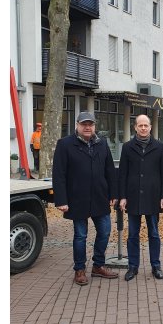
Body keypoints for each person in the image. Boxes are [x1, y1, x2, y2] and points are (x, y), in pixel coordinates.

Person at [52, 111, 119, 285]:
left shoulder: (102, 144)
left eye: (90, 124)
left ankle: (98, 266)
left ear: (95, 126)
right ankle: (79, 269)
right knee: (80, 235)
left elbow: (110, 171)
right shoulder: (65, 144)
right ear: (77, 125)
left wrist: (113, 193)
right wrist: (61, 200)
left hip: (100, 197)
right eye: (84, 124)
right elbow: (59, 174)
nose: (87, 127)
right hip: (77, 198)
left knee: (104, 231)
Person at [118, 114, 163, 281]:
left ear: (150, 127)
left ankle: (156, 265)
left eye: (145, 125)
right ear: (135, 127)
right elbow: (122, 174)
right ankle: (133, 266)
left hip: (153, 197)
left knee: (154, 234)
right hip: (133, 197)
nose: (143, 128)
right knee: (133, 234)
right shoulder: (127, 147)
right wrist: (122, 196)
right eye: (140, 125)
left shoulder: (160, 147)